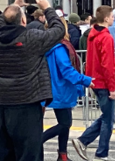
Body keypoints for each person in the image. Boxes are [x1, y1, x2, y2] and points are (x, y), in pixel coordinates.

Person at [0, 0, 65, 161]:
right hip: (27, 101)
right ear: (24, 21)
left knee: (4, 152)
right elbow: (58, 30)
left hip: (3, 102)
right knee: (29, 153)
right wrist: (47, 8)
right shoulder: (31, 38)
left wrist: (15, 5)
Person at [42, 17, 94, 161]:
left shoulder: (48, 45)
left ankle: (62, 155)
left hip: (55, 87)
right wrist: (85, 80)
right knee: (65, 123)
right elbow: (66, 70)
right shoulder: (60, 47)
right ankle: (39, 142)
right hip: (62, 88)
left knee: (65, 124)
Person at [72, 6, 115, 161]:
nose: (113, 18)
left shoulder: (93, 35)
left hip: (93, 80)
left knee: (107, 117)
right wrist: (112, 87)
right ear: (106, 18)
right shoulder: (106, 37)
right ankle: (100, 151)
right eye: (111, 16)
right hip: (104, 82)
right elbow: (108, 64)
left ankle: (85, 141)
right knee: (108, 119)